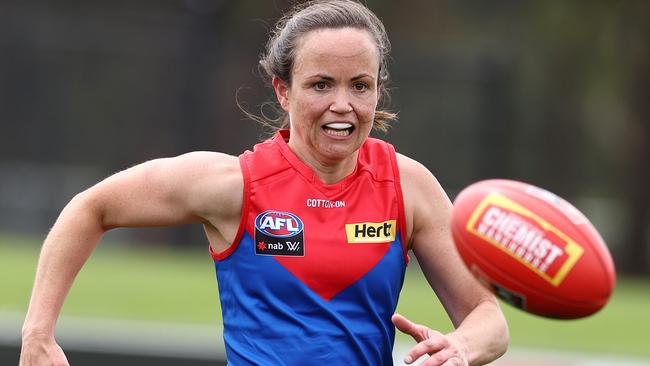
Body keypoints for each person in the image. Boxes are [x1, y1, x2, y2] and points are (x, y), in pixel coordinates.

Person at [20, 0, 509, 365]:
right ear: (282, 90)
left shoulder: (407, 185)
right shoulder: (234, 185)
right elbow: (91, 208)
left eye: (360, 85)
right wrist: (38, 333)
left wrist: (459, 347)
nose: (343, 104)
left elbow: (489, 319)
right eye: (321, 85)